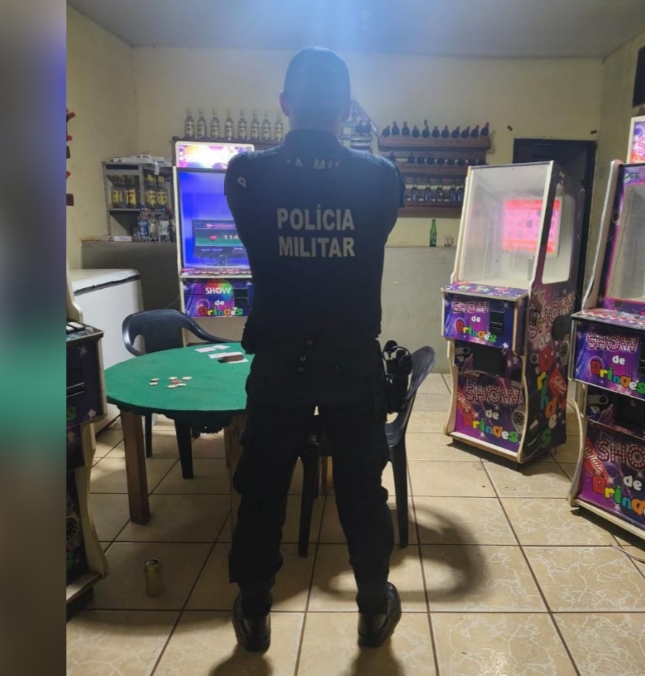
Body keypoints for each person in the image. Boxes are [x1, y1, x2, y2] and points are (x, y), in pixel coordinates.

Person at [224, 47, 405, 652]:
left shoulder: (246, 174)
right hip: (352, 361)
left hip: (279, 360)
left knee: (263, 486)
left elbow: (255, 233)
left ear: (284, 104)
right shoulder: (379, 177)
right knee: (360, 490)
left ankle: (254, 612)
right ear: (348, 109)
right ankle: (373, 607)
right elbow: (379, 225)